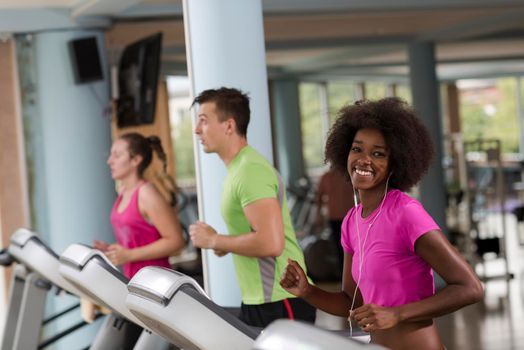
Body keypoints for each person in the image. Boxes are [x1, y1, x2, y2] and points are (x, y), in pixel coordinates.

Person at [280, 98, 483, 349]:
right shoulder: (351, 222)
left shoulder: (406, 213)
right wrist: (308, 291)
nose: (364, 160)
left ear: (394, 164)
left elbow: (470, 288)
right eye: (357, 149)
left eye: (378, 154)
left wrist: (397, 313)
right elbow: (352, 303)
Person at [189, 87, 316, 328]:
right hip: (261, 300)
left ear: (229, 126)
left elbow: (271, 243)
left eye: (204, 121)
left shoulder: (250, 171)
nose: (197, 129)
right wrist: (223, 241)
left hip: (281, 299)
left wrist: (214, 241)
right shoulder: (238, 169)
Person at [94, 132, 185, 279]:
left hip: (156, 284)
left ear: (136, 160)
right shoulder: (123, 193)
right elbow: (137, 239)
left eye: (117, 156)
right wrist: (113, 250)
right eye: (111, 155)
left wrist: (129, 255)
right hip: (135, 282)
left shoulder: (146, 194)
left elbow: (176, 241)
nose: (110, 161)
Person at [315, 167, 354, 271]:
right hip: (334, 218)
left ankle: (356, 276)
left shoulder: (349, 175)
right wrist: (318, 215)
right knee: (339, 247)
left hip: (350, 218)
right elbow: (319, 197)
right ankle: (343, 277)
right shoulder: (326, 177)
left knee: (353, 247)